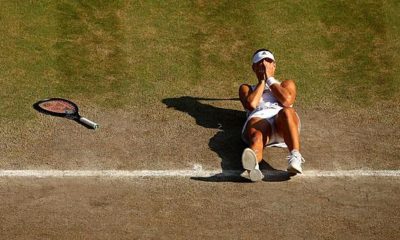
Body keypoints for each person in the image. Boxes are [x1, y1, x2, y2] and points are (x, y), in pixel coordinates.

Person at [239, 49, 304, 181]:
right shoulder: (246, 88)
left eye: (268, 62)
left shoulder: (286, 84)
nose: (264, 65)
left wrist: (270, 79)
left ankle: (295, 158)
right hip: (260, 120)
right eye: (260, 63)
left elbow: (286, 100)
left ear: (274, 66)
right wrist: (262, 82)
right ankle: (253, 167)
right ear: (254, 68)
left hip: (284, 123)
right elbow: (251, 104)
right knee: (257, 136)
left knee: (287, 111)